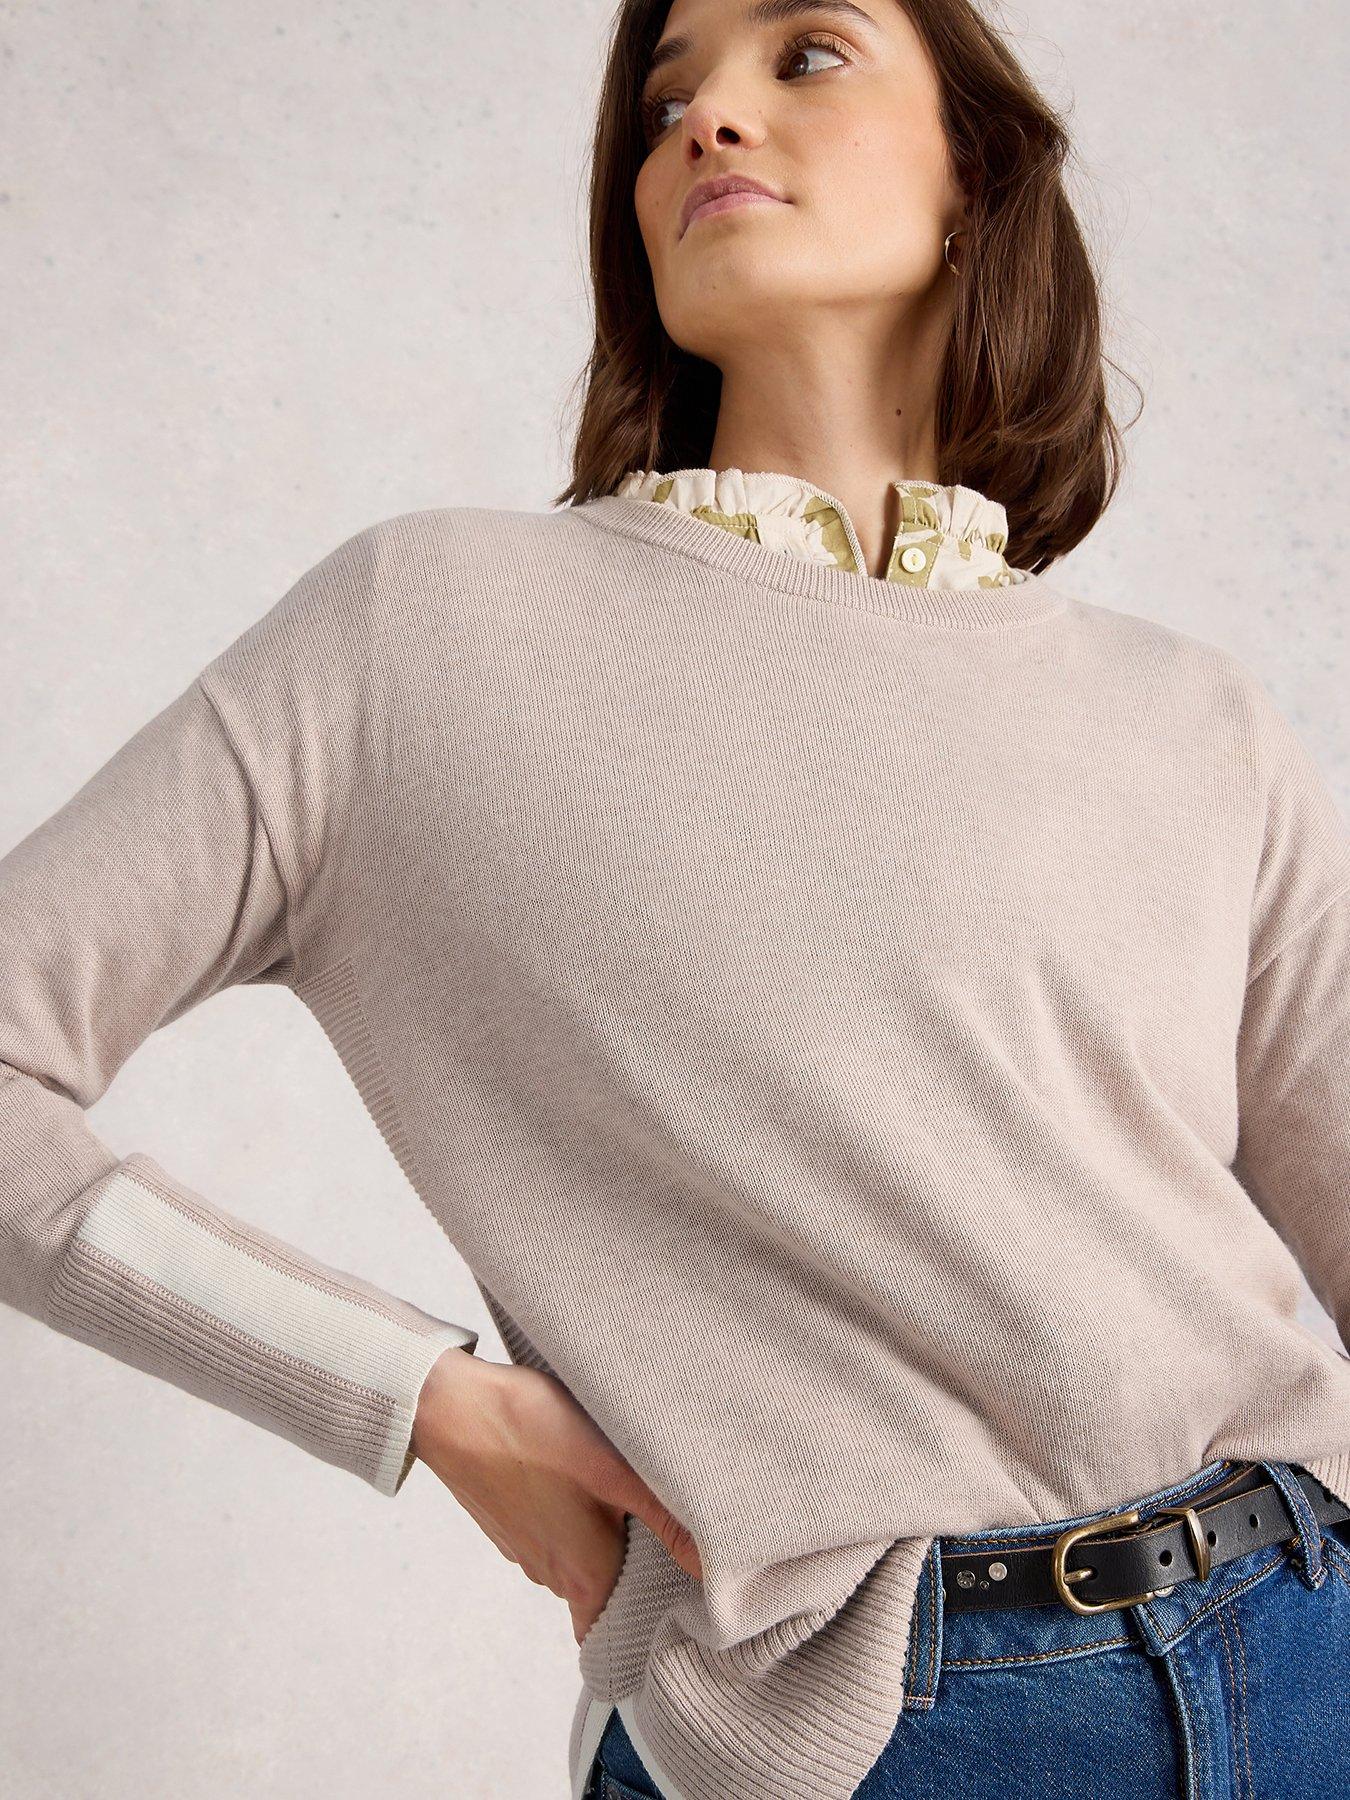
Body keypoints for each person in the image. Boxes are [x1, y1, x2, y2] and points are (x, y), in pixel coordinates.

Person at [3, 2, 1348, 1798]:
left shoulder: (1191, 715)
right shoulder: (419, 636)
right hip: (865, 1722)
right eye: (662, 98)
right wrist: (415, 1397)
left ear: (975, 171)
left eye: (805, 53)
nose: (705, 117)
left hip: (1305, 1630)